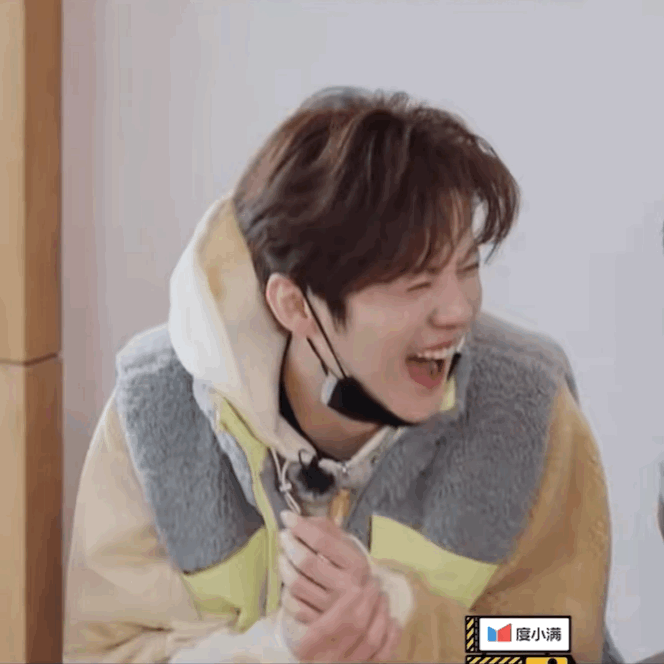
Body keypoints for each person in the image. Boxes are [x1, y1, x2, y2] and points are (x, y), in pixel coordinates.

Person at [63, 86, 623, 663]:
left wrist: (404, 624)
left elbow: (559, 643)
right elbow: (104, 653)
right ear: (296, 306)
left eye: (466, 267)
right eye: (415, 283)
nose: (458, 311)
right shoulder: (156, 413)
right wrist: (279, 651)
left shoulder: (528, 409)